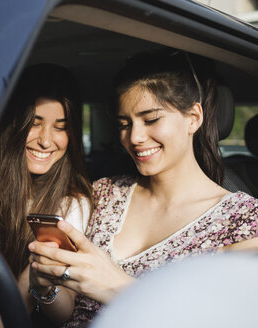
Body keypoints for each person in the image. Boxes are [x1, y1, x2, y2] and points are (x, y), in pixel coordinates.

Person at [28, 50, 258, 327]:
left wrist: (121, 289)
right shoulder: (102, 194)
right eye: (125, 124)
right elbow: (72, 312)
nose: (134, 138)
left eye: (151, 120)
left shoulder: (242, 221)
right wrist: (47, 288)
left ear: (193, 117)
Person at [0, 63, 93, 326]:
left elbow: (63, 310)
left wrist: (41, 285)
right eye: (35, 123)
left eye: (60, 127)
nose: (45, 140)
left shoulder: (72, 204)